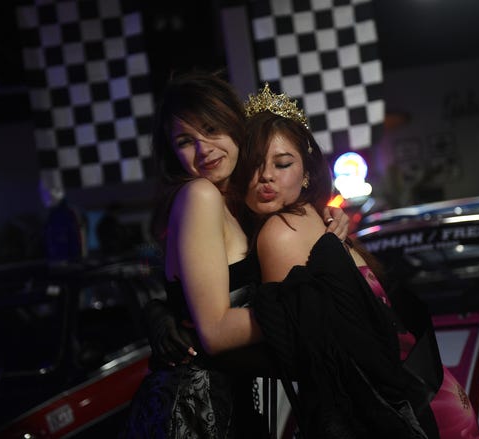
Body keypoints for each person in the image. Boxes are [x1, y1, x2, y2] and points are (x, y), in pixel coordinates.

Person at [228, 84, 479, 438]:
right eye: (253, 165)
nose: (266, 175)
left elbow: (306, 356)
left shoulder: (279, 231)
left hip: (399, 413)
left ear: (305, 173)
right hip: (433, 394)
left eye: (282, 163)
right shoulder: (315, 216)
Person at [119, 72, 348, 439]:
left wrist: (330, 222)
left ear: (234, 125)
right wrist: (314, 310)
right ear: (172, 154)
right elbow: (213, 332)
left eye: (211, 129)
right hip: (195, 411)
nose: (203, 148)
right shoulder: (200, 196)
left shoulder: (240, 205)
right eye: (184, 140)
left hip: (229, 401)